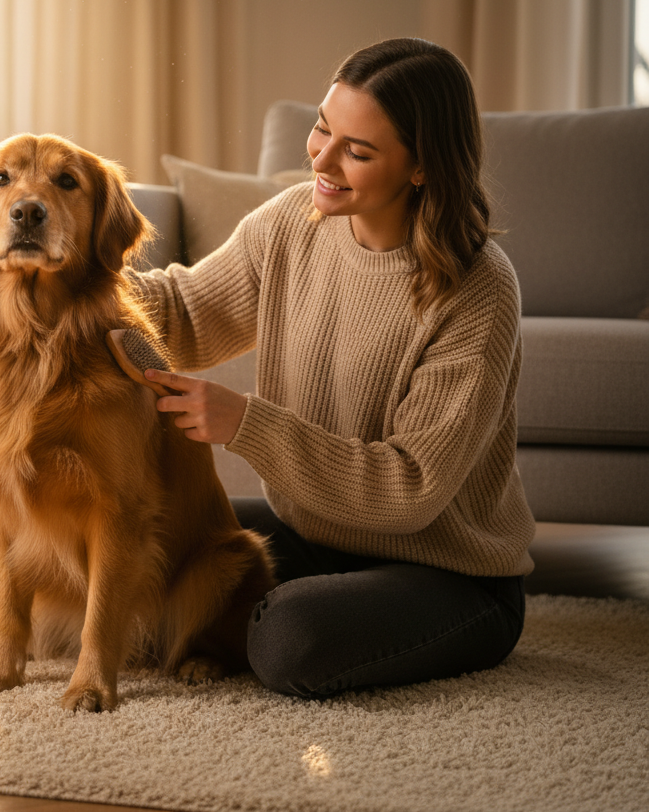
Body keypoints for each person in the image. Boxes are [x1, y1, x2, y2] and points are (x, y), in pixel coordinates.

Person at [127, 37, 534, 698]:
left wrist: (246, 423)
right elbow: (183, 313)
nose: (322, 158)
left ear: (422, 167)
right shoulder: (294, 221)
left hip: (451, 576)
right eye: (322, 128)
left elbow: (411, 489)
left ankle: (261, 623)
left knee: (289, 639)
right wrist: (75, 272)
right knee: (149, 529)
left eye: (358, 150)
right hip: (316, 536)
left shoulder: (478, 289)